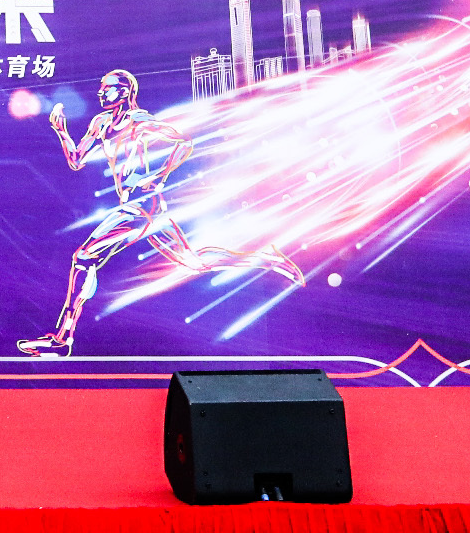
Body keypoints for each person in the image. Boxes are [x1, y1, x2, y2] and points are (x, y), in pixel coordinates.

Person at [17, 68, 302, 358]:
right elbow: (76, 160)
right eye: (101, 88)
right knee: (193, 262)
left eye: (107, 88)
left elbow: (184, 143)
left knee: (84, 257)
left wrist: (159, 176)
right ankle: (265, 258)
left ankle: (63, 339)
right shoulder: (101, 123)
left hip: (141, 207)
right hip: (138, 207)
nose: (101, 93)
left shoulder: (140, 121)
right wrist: (61, 130)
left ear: (124, 92)